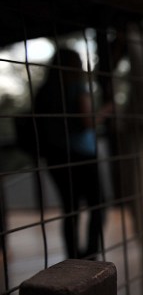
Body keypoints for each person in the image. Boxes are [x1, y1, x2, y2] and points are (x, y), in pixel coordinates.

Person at [34, 48, 111, 259]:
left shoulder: (44, 91)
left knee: (70, 210)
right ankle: (90, 257)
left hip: (56, 157)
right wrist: (106, 111)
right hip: (83, 154)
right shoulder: (77, 87)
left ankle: (73, 257)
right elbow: (88, 121)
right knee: (98, 207)